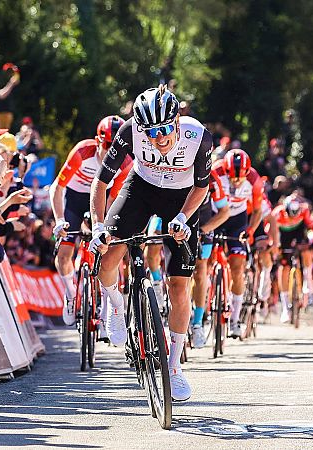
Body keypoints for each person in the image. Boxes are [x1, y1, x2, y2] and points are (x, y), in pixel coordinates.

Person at [90, 85, 212, 402]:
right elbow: (100, 182)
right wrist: (98, 227)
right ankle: (116, 307)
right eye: (151, 132)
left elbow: (201, 188)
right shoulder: (129, 131)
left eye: (165, 129)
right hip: (141, 189)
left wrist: (184, 219)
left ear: (177, 120)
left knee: (178, 286)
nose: (159, 138)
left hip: (182, 199)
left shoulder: (198, 137)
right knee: (110, 253)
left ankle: (173, 367)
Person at [50, 115, 132, 327]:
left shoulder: (125, 164)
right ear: (97, 140)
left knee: (105, 253)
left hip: (102, 202)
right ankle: (70, 295)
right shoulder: (82, 152)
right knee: (64, 254)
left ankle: (105, 308)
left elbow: (113, 200)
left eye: (116, 146)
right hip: (75, 201)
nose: (110, 152)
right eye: (106, 145)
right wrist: (59, 219)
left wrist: (101, 226)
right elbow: (57, 188)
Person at [211, 149, 264, 338]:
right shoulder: (216, 171)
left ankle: (234, 320)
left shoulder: (255, 180)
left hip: (238, 220)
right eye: (231, 177)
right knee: (206, 261)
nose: (235, 181)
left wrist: (249, 231)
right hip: (216, 215)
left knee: (237, 267)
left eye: (239, 178)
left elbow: (257, 211)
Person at [191, 167, 230, 348]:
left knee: (200, 272)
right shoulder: (174, 167)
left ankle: (197, 323)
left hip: (202, 224)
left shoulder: (212, 178)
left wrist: (205, 230)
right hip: (175, 220)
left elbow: (224, 212)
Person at [271, 196, 313, 322]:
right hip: (283, 236)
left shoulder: (304, 211)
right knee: (284, 268)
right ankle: (285, 307)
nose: (292, 219)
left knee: (306, 251)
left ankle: (308, 281)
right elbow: (270, 230)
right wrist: (274, 246)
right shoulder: (278, 213)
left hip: (298, 233)